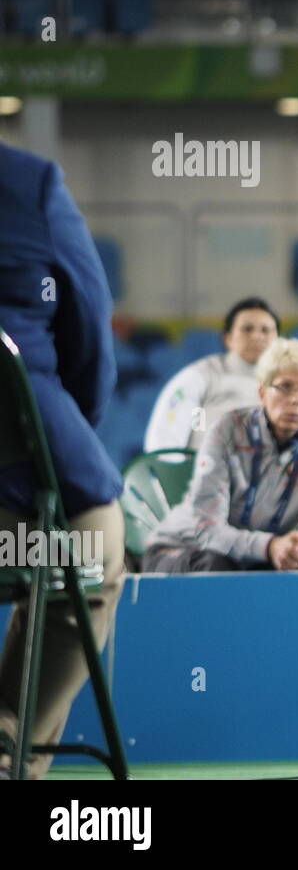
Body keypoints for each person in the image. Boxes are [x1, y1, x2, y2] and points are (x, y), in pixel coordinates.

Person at [0, 143, 125, 780]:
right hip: (24, 508)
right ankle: (8, 745)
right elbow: (89, 339)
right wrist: (49, 443)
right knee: (88, 552)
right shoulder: (27, 183)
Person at [142, 338, 298, 573]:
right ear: (262, 392)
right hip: (183, 547)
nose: (296, 399)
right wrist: (269, 547)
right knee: (218, 566)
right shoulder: (226, 429)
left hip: (264, 554)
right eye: (285, 386)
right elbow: (207, 528)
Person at [144, 297, 280, 452]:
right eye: (247, 329)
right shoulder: (201, 377)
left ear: (278, 339)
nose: (257, 336)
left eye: (265, 330)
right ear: (227, 338)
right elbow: (167, 435)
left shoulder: (290, 384)